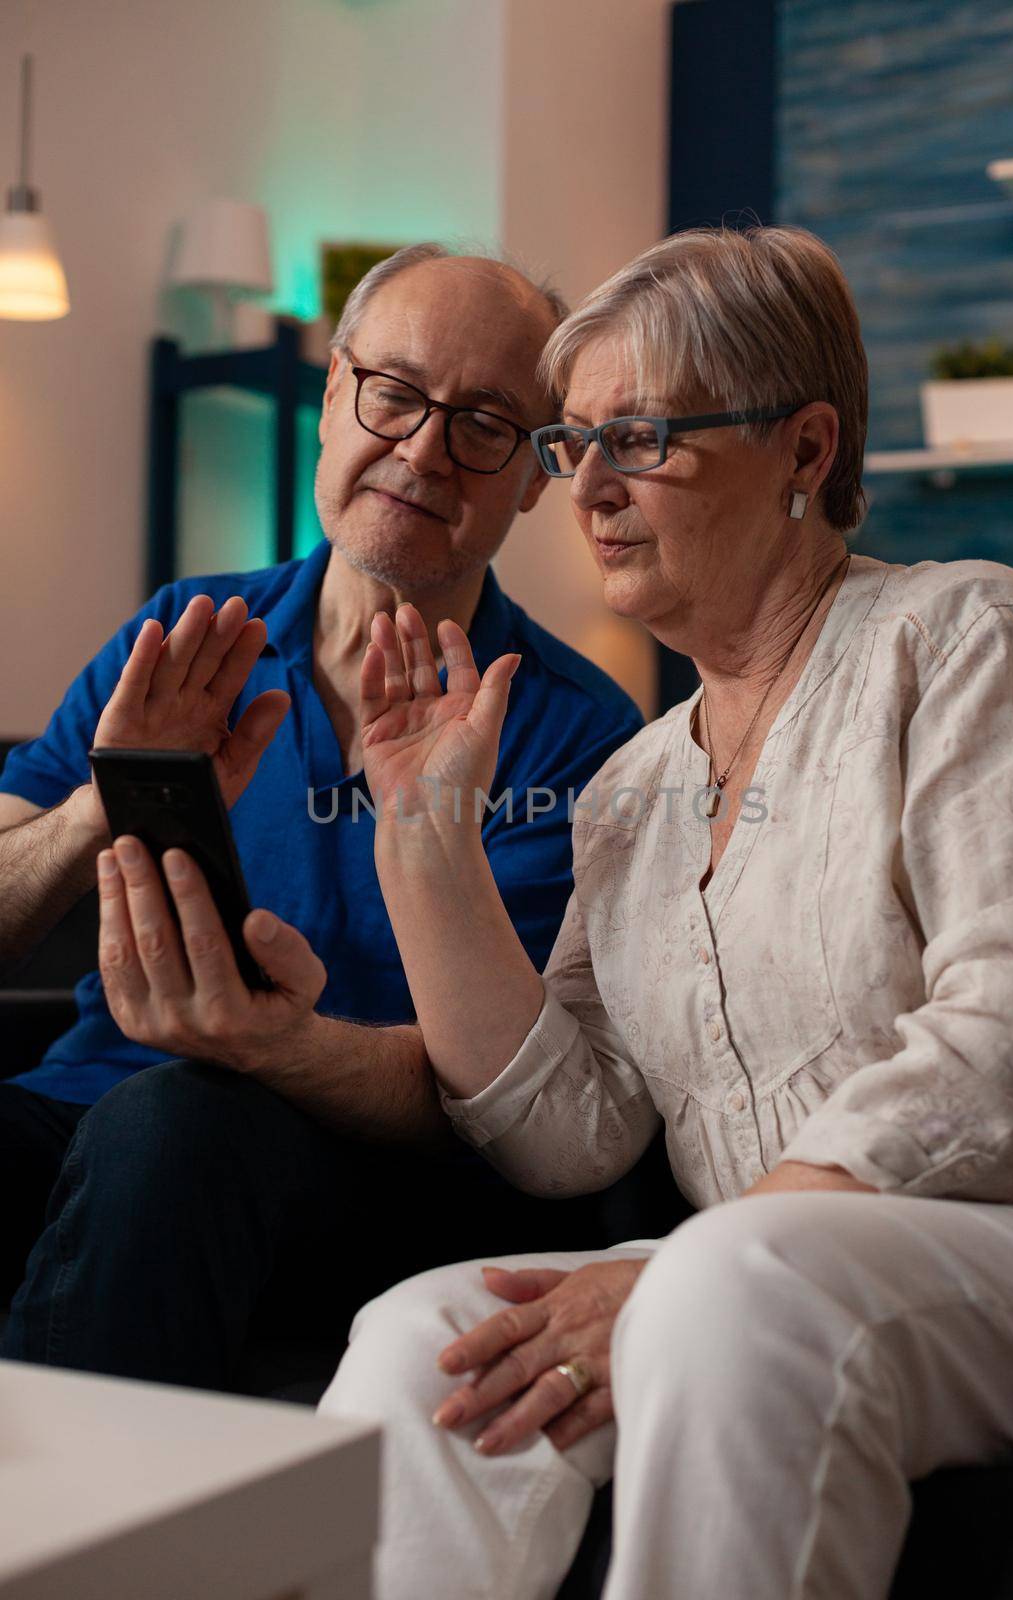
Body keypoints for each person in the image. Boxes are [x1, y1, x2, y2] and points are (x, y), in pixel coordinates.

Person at [318, 224, 1013, 1600]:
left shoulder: (965, 636)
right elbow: (572, 1131)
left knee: (732, 1289)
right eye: (570, 446)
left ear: (803, 448)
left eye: (641, 438)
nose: (587, 488)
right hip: (765, 1254)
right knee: (421, 1334)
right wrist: (424, 846)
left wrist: (682, 1271)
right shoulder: (631, 786)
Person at [0, 243, 651, 1391]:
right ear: (331, 395)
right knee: (141, 1122)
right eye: (393, 394)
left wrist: (269, 1045)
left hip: (361, 1173)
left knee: (174, 1125)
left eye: (485, 422)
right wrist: (100, 803)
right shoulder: (187, 632)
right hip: (78, 1115)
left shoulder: (578, 735)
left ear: (536, 474)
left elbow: (521, 1103)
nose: (421, 452)